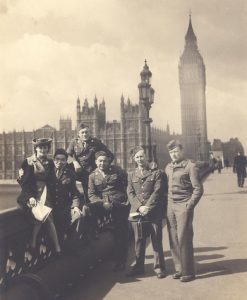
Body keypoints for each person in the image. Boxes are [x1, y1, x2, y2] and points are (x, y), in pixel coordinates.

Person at [165, 140, 203, 282]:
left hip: (183, 205)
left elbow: (198, 189)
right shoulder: (168, 167)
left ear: (182, 151)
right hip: (170, 205)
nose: (173, 154)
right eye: (171, 152)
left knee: (184, 237)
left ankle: (188, 272)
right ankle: (179, 269)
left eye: (176, 151)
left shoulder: (190, 166)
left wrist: (189, 205)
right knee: (173, 238)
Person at [127, 146, 167, 279]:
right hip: (138, 213)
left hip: (153, 212)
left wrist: (147, 207)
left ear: (146, 157)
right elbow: (130, 193)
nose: (140, 159)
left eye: (141, 156)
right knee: (139, 240)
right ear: (134, 159)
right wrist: (139, 207)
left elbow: (158, 191)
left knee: (156, 239)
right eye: (137, 157)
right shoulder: (131, 174)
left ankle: (159, 267)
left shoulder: (157, 173)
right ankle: (139, 267)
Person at [17, 138, 61, 255]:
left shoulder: (50, 162)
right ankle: (56, 248)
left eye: (45, 147)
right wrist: (30, 197)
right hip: (32, 193)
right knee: (44, 216)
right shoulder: (29, 161)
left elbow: (52, 180)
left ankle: (34, 243)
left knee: (46, 217)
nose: (43, 149)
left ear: (48, 149)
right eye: (40, 147)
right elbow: (25, 182)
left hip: (45, 193)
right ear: (36, 148)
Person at [88, 151, 130, 271]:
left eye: (105, 161)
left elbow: (128, 185)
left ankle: (121, 261)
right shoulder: (92, 176)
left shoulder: (118, 171)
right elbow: (91, 195)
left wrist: (126, 200)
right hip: (103, 205)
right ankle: (92, 234)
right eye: (100, 161)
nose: (102, 163)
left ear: (109, 162)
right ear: (96, 162)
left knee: (121, 233)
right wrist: (102, 203)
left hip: (119, 204)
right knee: (88, 208)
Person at [49, 148, 88, 249]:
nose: (60, 162)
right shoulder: (47, 172)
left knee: (79, 216)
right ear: (53, 160)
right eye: (57, 159)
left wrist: (75, 206)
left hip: (65, 207)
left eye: (62, 160)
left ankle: (71, 245)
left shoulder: (70, 173)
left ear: (66, 161)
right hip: (51, 207)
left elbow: (74, 192)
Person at [67, 123, 114, 202]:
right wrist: (74, 162)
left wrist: (102, 167)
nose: (85, 134)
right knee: (76, 194)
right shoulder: (74, 142)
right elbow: (67, 156)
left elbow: (110, 155)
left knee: (91, 196)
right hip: (77, 173)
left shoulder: (96, 142)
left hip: (91, 174)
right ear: (78, 134)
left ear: (90, 132)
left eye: (87, 132)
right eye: (82, 132)